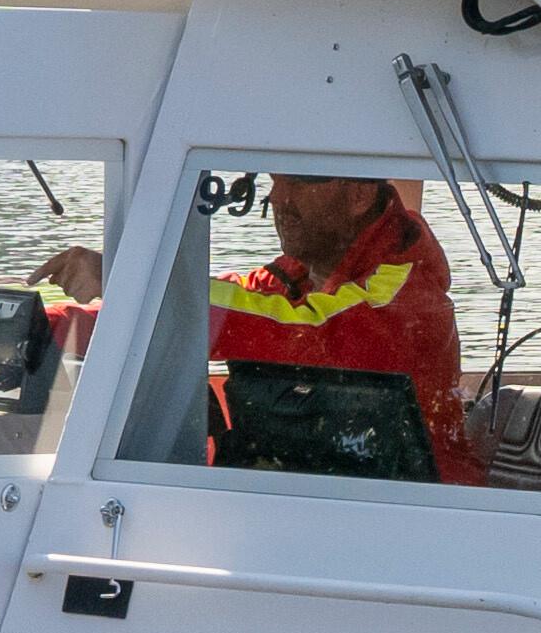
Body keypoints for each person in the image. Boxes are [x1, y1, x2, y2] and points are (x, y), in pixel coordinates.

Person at [199, 169, 466, 474]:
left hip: (423, 506)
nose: (276, 198)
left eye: (296, 183)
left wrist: (177, 300)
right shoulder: (308, 270)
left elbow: (306, 332)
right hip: (341, 495)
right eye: (275, 182)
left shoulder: (402, 296)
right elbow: (252, 297)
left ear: (359, 196)